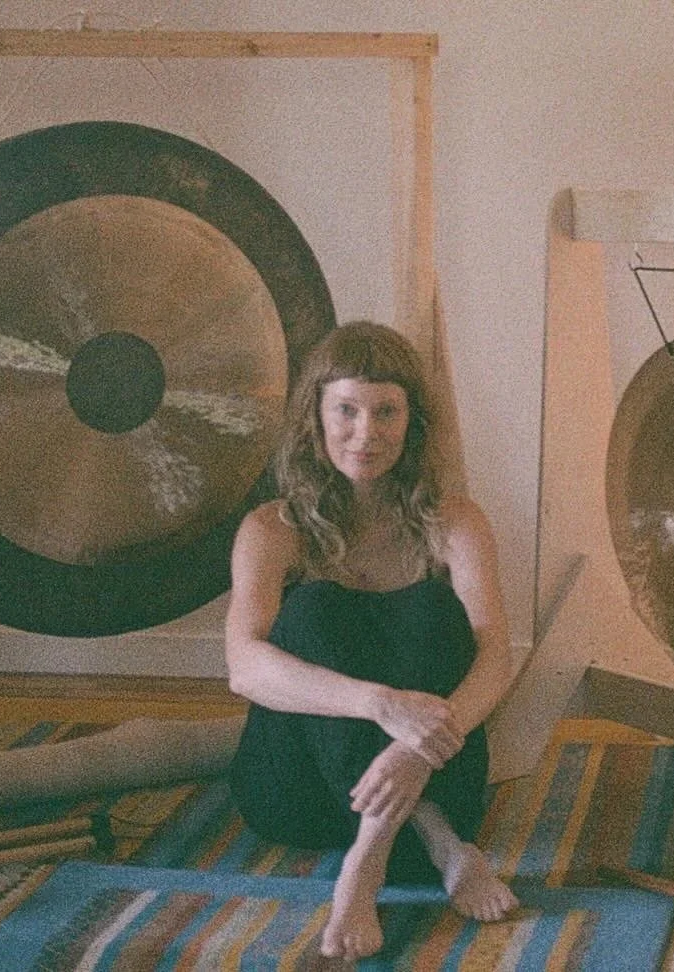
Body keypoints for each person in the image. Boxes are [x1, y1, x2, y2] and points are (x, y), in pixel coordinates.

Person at [225, 320, 519, 961]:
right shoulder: (271, 528)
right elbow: (245, 668)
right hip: (297, 793)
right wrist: (379, 705)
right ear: (316, 418)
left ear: (413, 421)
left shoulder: (456, 522)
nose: (366, 432)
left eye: (386, 411)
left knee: (442, 620)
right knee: (311, 611)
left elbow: (495, 659)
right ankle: (441, 846)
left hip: (430, 772)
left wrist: (416, 752)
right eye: (347, 410)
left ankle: (370, 856)